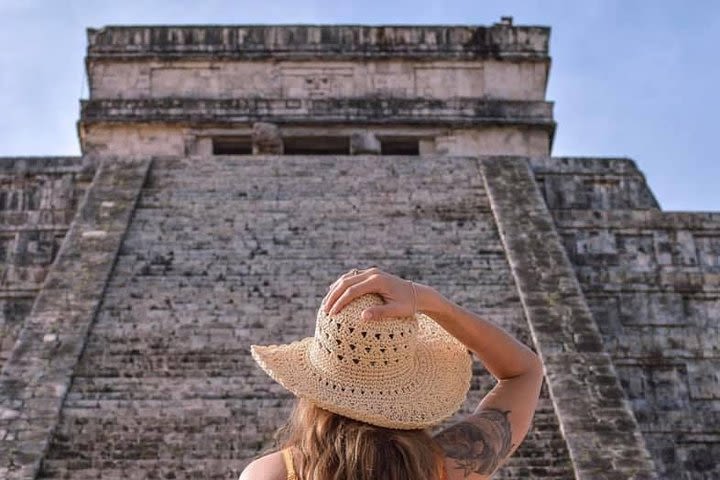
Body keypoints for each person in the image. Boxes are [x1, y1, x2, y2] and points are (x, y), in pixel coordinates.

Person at [240, 267, 544, 480]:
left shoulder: (269, 474)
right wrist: (431, 302)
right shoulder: (448, 467)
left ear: (315, 384)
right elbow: (523, 372)